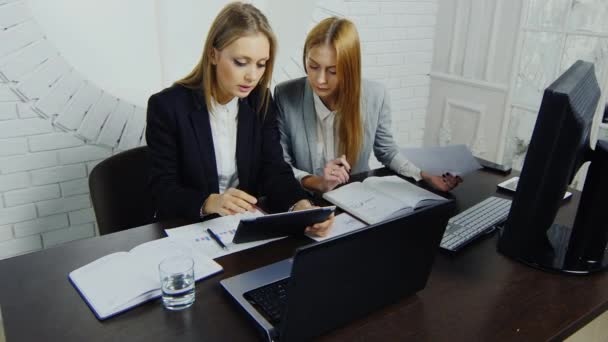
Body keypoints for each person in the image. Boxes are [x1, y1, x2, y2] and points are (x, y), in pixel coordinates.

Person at [146, 2, 333, 236]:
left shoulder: (259, 101)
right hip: (189, 230)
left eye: (261, 64)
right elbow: (163, 190)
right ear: (213, 54)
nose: (252, 76)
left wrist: (301, 207)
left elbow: (275, 171)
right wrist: (209, 202)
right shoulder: (167, 107)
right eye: (240, 62)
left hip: (241, 230)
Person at [275, 17, 462, 193]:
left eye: (332, 71)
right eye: (313, 66)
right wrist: (319, 183)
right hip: (306, 198)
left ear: (350, 68)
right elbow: (281, 164)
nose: (320, 79)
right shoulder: (285, 95)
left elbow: (387, 151)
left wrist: (423, 175)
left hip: (357, 196)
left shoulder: (375, 95)